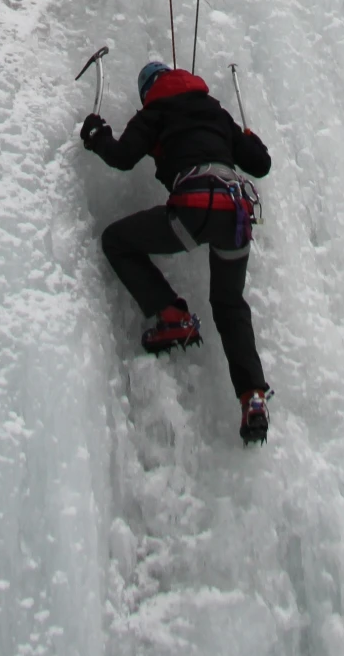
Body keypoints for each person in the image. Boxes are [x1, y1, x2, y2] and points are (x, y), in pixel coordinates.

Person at [82, 59, 273, 445]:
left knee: (116, 241)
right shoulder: (216, 111)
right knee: (229, 303)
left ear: (147, 89)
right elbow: (260, 163)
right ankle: (252, 396)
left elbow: (122, 156)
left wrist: (96, 134)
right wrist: (248, 139)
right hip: (236, 214)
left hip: (195, 209)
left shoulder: (154, 111)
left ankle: (173, 316)